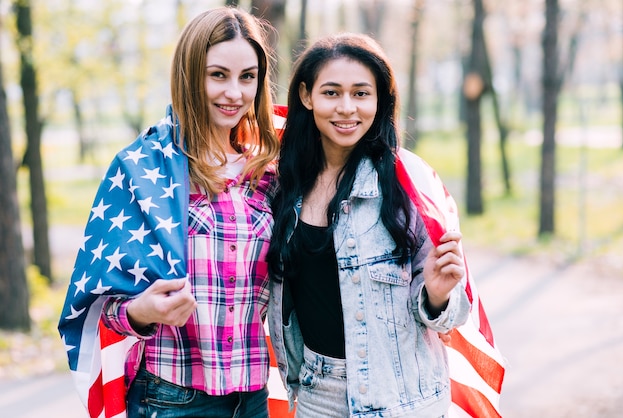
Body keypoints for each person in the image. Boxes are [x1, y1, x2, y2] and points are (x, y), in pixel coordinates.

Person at [58, 7, 280, 418]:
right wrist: (142, 312)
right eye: (218, 75)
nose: (234, 92)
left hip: (253, 398)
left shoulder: (268, 172)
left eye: (247, 77)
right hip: (171, 397)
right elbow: (98, 303)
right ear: (189, 74)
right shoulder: (144, 170)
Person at [266, 33, 472, 417]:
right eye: (332, 93)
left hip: (402, 399)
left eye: (361, 94)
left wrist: (438, 293)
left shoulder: (407, 181)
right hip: (315, 395)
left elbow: (454, 313)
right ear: (307, 97)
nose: (347, 108)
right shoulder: (281, 186)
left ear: (380, 101)